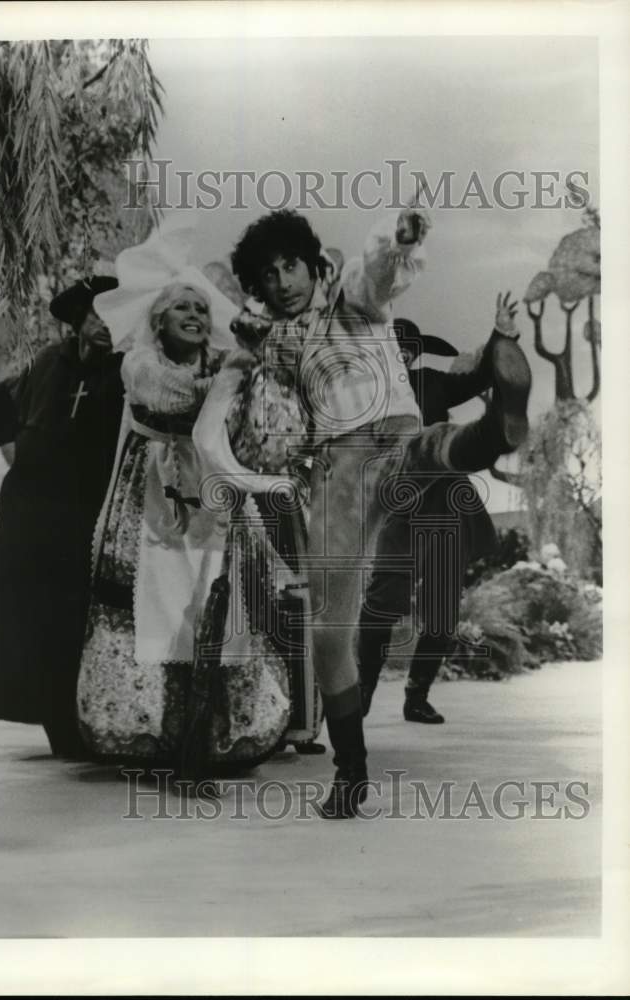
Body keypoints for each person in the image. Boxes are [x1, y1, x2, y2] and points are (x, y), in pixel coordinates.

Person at [229, 209, 532, 817]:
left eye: (291, 266)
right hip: (334, 472)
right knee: (327, 632)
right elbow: (268, 426)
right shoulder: (276, 345)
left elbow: (378, 274)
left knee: (428, 451)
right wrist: (244, 362)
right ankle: (351, 773)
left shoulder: (351, 301)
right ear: (259, 288)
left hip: (390, 438)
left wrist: (399, 239)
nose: (283, 282)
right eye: (269, 276)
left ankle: (494, 431)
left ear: (313, 266)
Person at [77, 270, 295, 778]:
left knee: (217, 600)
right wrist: (235, 373)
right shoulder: (140, 363)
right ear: (159, 319)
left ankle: (220, 731)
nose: (194, 315)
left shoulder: (223, 363)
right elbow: (173, 397)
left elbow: (253, 416)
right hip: (154, 494)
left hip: (212, 491)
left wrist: (255, 372)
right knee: (156, 602)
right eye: (182, 307)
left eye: (201, 308)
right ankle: (150, 731)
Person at [0, 275, 124, 757]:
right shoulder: (48, 363)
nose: (107, 325)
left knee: (78, 622)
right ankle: (57, 725)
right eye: (97, 314)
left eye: (116, 314)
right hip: (31, 518)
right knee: (31, 621)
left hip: (88, 517)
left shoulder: (128, 370)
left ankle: (88, 724)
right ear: (78, 322)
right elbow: (6, 400)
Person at [357, 306, 520, 725]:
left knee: (442, 613)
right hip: (397, 507)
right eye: (394, 346)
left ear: (415, 356)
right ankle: (361, 693)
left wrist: (501, 335)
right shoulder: (362, 393)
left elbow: (480, 377)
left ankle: (417, 697)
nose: (401, 354)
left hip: (446, 505)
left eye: (409, 349)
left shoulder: (431, 382)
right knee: (382, 603)